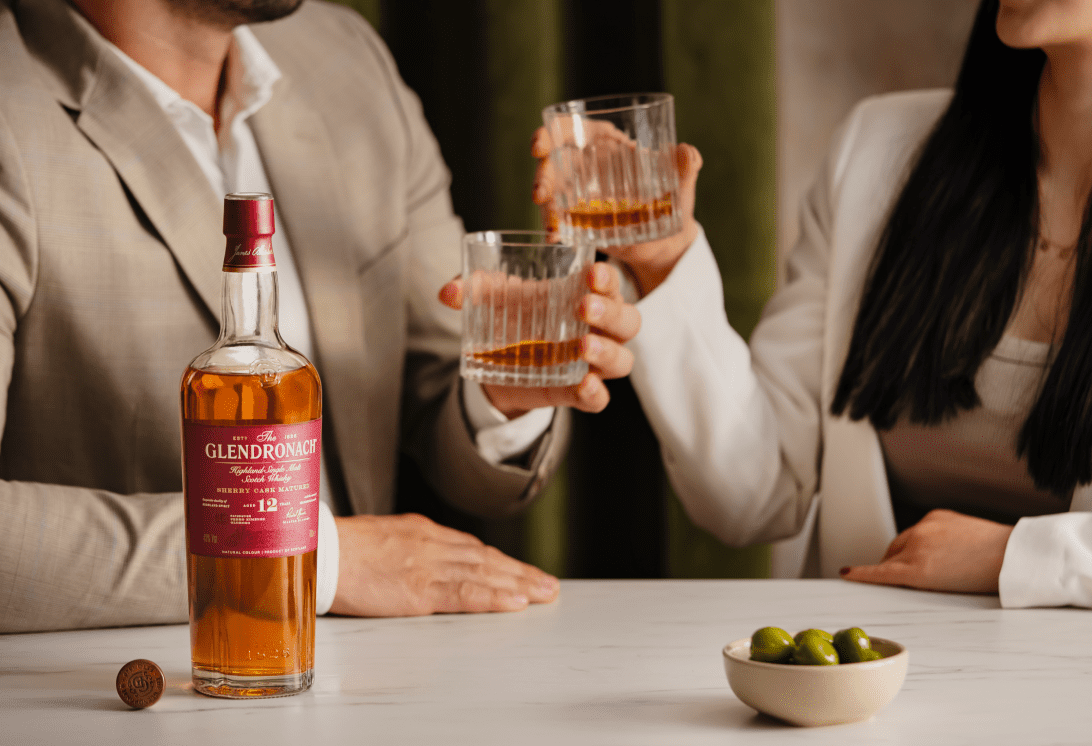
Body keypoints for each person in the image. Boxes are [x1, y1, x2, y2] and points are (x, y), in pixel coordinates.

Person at [533, 0, 1092, 614]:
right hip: (860, 680)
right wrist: (663, 262)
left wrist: (1015, 557)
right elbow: (754, 494)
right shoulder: (878, 148)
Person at [0, 0, 641, 633]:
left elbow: (454, 436)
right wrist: (320, 555)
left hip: (359, 673)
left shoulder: (346, 56)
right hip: (129, 682)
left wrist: (502, 395)